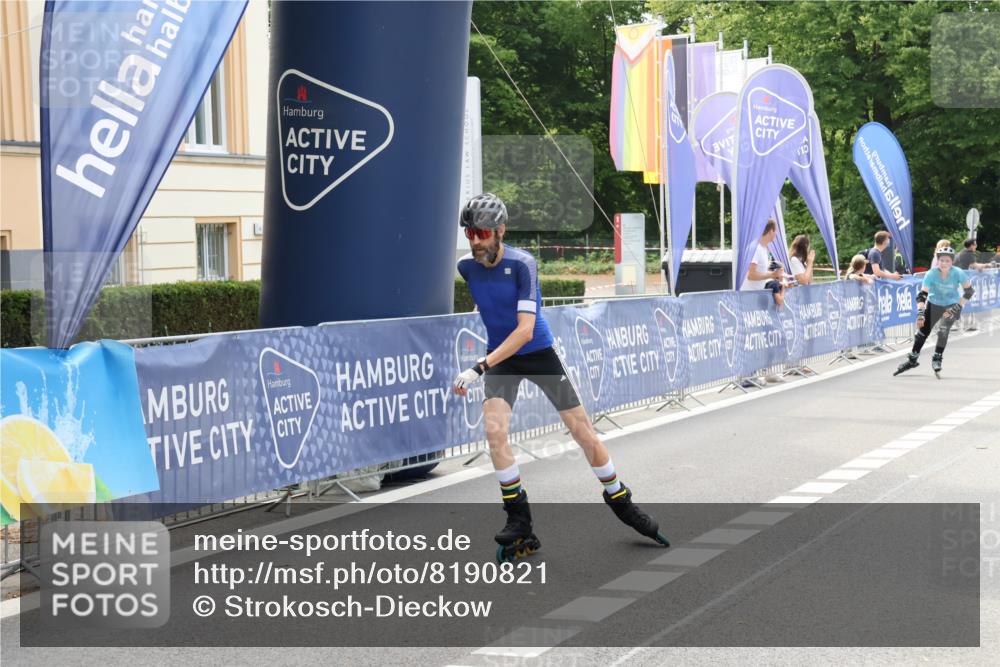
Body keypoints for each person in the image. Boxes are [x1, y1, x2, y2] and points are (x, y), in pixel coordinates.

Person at [453, 193, 669, 561]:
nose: (475, 240)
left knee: (582, 430)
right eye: (470, 232)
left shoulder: (524, 265)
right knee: (495, 431)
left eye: (482, 232)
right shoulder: (467, 268)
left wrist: (478, 367)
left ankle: (620, 499)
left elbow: (523, 331)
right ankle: (519, 519)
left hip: (536, 353)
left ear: (500, 231)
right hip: (503, 360)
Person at [894, 246, 974, 378]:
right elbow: (922, 295)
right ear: (938, 261)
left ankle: (937, 357)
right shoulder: (931, 273)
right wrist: (920, 313)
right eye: (941, 260)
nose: (944, 263)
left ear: (952, 262)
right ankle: (912, 359)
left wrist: (957, 307)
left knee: (943, 330)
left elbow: (969, 291)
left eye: (947, 261)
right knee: (922, 333)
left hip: (951, 304)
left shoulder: (958, 273)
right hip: (934, 304)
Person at [742, 220, 785, 307]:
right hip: (749, 297)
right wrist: (771, 275)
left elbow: (762, 272)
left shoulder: (764, 249)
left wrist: (776, 274)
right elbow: (751, 275)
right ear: (771, 231)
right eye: (775, 231)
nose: (776, 234)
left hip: (756, 295)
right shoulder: (756, 248)